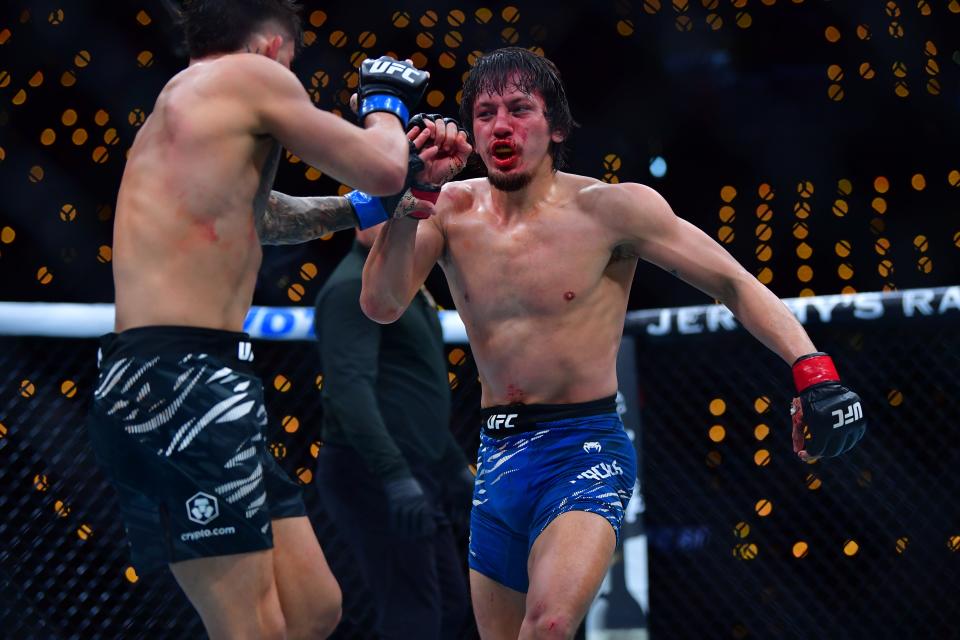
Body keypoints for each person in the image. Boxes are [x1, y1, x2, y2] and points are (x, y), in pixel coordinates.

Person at [358, 47, 867, 639]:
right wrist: (411, 200)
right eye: (486, 112)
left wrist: (814, 370)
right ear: (470, 128)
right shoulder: (447, 211)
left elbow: (731, 280)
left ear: (554, 125)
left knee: (547, 626)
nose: (502, 125)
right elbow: (382, 304)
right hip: (498, 454)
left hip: (584, 448)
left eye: (520, 109)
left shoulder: (610, 209)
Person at [85, 1, 431, 638]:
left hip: (183, 380)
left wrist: (368, 208)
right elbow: (381, 161)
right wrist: (386, 101)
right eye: (293, 61)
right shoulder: (252, 75)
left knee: (313, 608)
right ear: (274, 45)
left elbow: (265, 218)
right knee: (253, 630)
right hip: (179, 383)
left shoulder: (180, 104)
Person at [312, 222, 474, 640]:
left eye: (404, 211)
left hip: (412, 468)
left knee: (449, 607)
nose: (395, 223)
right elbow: (349, 393)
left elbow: (413, 396)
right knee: (413, 612)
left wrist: (452, 468)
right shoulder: (352, 289)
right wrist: (395, 477)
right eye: (384, 207)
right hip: (371, 471)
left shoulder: (405, 286)